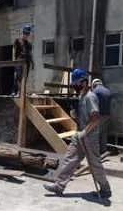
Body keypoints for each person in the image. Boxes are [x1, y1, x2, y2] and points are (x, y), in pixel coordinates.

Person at [44, 68, 112, 199]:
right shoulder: (81, 96)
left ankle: (105, 189)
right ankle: (59, 186)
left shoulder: (91, 97)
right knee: (70, 160)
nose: (75, 86)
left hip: (89, 137)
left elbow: (96, 118)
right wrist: (76, 116)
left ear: (84, 82)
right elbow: (86, 117)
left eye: (76, 83)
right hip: (79, 135)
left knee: (95, 165)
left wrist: (85, 133)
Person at [11, 24, 34, 96]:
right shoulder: (17, 40)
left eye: (28, 33)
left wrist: (32, 63)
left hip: (27, 63)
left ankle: (23, 92)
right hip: (19, 61)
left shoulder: (29, 44)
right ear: (23, 32)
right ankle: (18, 92)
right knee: (18, 76)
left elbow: (30, 54)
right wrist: (13, 59)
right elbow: (14, 49)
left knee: (25, 77)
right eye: (25, 33)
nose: (26, 35)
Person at [91, 78, 112, 153]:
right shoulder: (107, 90)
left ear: (94, 84)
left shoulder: (95, 91)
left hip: (99, 115)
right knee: (104, 132)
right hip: (107, 114)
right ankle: (104, 149)